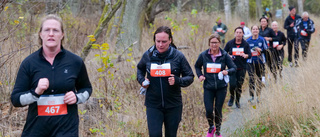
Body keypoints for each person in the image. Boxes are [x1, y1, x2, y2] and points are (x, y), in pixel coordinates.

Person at [11, 14, 92, 136]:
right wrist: (36, 92)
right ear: (40, 34)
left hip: (66, 130)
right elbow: (16, 99)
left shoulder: (75, 62)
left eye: (55, 30)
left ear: (62, 34)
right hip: (36, 130)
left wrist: (77, 97)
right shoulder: (29, 63)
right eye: (47, 30)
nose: (51, 34)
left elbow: (87, 89)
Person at [137, 26, 194, 137]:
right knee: (154, 134)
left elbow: (190, 76)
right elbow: (140, 69)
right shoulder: (148, 55)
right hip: (153, 104)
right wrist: (142, 80)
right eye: (158, 41)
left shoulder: (178, 56)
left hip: (173, 104)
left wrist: (177, 80)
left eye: (164, 41)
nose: (160, 45)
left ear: (170, 40)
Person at [195, 34, 236, 137]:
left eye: (216, 42)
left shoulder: (224, 55)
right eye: (212, 42)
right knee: (209, 110)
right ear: (209, 44)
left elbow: (233, 68)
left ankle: (218, 131)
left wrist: (227, 71)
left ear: (219, 43)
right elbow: (197, 66)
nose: (214, 45)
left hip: (221, 87)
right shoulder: (204, 55)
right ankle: (211, 127)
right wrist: (200, 75)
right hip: (208, 87)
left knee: (218, 110)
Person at [224, 27, 251, 108]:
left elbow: (249, 55)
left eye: (240, 32)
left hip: (242, 67)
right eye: (237, 32)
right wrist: (229, 56)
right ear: (234, 33)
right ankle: (232, 97)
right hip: (232, 68)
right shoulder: (230, 43)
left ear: (243, 34)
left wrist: (245, 55)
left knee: (239, 85)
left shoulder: (245, 44)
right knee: (232, 84)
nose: (238, 34)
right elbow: (224, 53)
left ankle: (237, 100)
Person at [246, 25, 268, 103]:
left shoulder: (262, 39)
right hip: (250, 62)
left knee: (259, 79)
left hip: (260, 62)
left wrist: (260, 50)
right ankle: (251, 96)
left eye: (256, 29)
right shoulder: (248, 41)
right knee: (251, 78)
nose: (255, 30)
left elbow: (266, 50)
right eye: (253, 29)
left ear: (258, 31)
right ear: (251, 31)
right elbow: (245, 51)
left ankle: (258, 96)